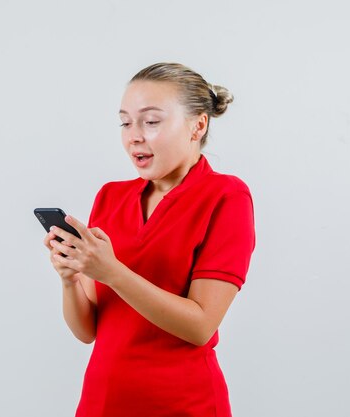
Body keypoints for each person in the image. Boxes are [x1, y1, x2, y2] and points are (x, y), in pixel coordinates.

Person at [42, 62, 256, 417]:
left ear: (197, 125)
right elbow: (88, 330)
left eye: (151, 122)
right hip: (102, 401)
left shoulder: (226, 196)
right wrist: (69, 279)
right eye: (125, 122)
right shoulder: (110, 197)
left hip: (183, 404)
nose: (134, 136)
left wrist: (111, 272)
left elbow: (200, 326)